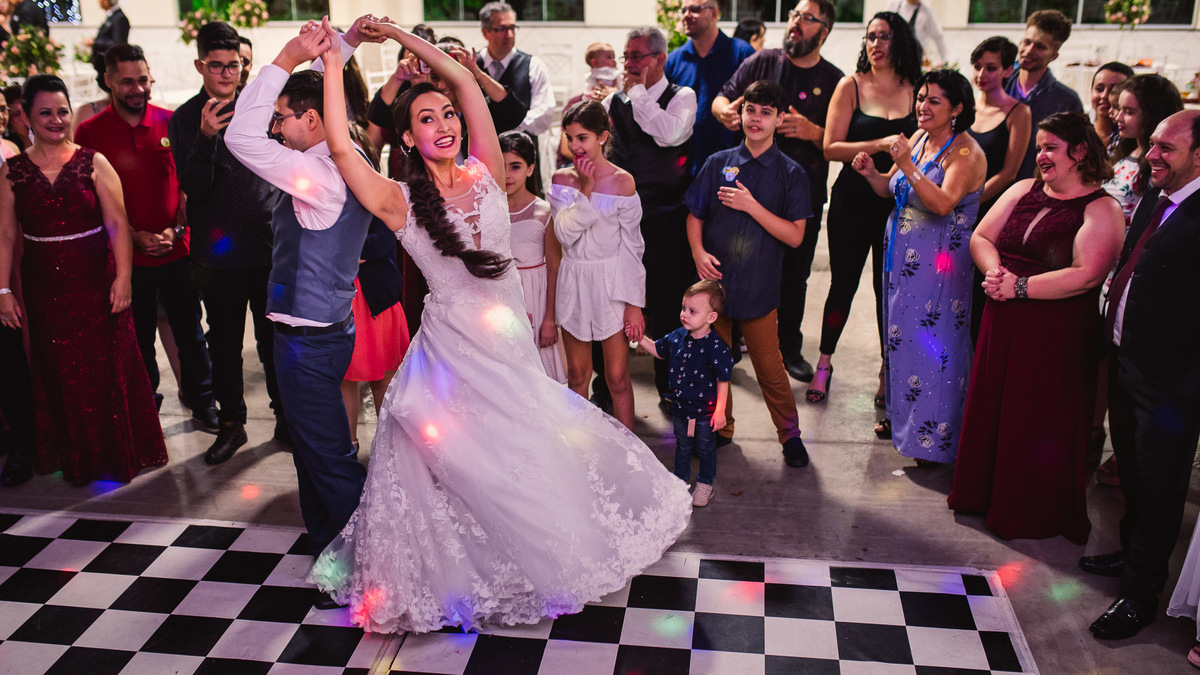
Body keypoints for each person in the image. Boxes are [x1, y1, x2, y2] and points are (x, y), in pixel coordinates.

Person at [308, 17, 691, 633]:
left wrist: (398, 35)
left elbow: (461, 77)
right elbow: (341, 146)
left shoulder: (487, 168)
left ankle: (530, 548)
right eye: (426, 118)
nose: (444, 124)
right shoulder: (398, 200)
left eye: (447, 115)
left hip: (507, 338)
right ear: (407, 137)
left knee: (523, 448)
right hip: (452, 352)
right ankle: (464, 570)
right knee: (456, 461)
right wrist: (333, 65)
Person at [224, 19, 384, 565]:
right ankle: (330, 551)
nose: (275, 127)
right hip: (323, 329)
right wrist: (343, 47)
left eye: (282, 118)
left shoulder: (319, 174)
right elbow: (321, 92)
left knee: (329, 459)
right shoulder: (346, 154)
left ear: (312, 120)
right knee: (316, 456)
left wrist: (288, 54)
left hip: (307, 339)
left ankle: (371, 561)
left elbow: (238, 136)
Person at [948, 112, 1121, 540]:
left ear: (1079, 152)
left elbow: (1086, 274)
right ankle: (982, 494)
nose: (1040, 156)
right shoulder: (1024, 189)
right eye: (1039, 147)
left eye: (1051, 148)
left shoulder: (1102, 209)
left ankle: (1027, 509)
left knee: (1034, 414)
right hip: (1003, 314)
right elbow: (981, 238)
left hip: (1053, 330)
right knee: (994, 404)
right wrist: (995, 276)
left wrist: (1019, 287)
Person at [0, 74, 167, 486]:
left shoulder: (93, 161)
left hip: (97, 279)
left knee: (108, 367)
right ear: (25, 117)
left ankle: (118, 455)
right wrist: (3, 290)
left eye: (61, 111)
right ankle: (77, 458)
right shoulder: (12, 171)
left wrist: (124, 278)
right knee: (60, 371)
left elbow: (117, 223)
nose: (56, 120)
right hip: (44, 286)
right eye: (45, 113)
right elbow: (5, 235)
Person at [1079, 110, 1200, 641]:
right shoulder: (1158, 192)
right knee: (1130, 471)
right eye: (1151, 145)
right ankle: (1130, 555)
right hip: (1128, 360)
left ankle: (1141, 594)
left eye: (1166, 149)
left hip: (1172, 380)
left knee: (1159, 485)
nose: (1151, 156)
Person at [75, 44, 218, 429]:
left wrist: (176, 228)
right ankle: (145, 410)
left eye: (143, 79)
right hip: (126, 260)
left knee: (191, 334)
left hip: (177, 250)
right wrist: (132, 235)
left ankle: (204, 402)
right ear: (107, 81)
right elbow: (90, 201)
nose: (137, 88)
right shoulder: (89, 133)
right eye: (127, 82)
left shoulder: (171, 122)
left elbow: (186, 183)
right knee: (137, 342)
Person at [851, 69, 986, 463]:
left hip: (940, 267)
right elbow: (891, 189)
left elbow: (942, 203)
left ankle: (936, 441)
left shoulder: (966, 152)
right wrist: (872, 174)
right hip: (903, 261)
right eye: (921, 97)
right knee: (902, 342)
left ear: (957, 108)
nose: (922, 107)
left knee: (935, 347)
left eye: (934, 101)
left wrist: (908, 164)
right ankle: (905, 424)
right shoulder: (921, 140)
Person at [169, 21, 287, 464]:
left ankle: (286, 421)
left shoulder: (261, 109)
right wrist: (205, 137)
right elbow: (194, 189)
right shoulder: (186, 119)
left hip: (268, 245)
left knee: (275, 338)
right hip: (218, 257)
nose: (225, 74)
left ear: (243, 63)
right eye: (215, 66)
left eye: (233, 65)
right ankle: (231, 425)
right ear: (200, 65)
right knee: (223, 345)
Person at [712, 0, 844, 384]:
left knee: (794, 274)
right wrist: (723, 110)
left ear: (824, 30)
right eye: (793, 15)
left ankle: (788, 348)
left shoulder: (836, 80)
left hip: (800, 194)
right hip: (747, 188)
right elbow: (726, 95)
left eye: (806, 18)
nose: (796, 23)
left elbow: (843, 140)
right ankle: (731, 345)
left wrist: (813, 132)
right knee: (737, 265)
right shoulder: (763, 60)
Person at [687, 79, 812, 468]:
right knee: (712, 363)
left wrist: (751, 205)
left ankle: (789, 435)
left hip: (759, 288)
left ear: (779, 119)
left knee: (769, 367)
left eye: (766, 112)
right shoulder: (716, 163)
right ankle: (720, 428)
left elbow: (794, 236)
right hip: (715, 286)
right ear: (739, 114)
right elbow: (695, 215)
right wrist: (698, 252)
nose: (756, 119)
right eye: (750, 110)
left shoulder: (792, 174)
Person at [808, 10, 919, 405]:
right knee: (843, 285)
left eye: (885, 36)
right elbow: (830, 147)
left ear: (900, 41)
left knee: (889, 291)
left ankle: (888, 371)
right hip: (852, 202)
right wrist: (878, 143)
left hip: (900, 205)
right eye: (870, 37)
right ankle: (824, 364)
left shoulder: (915, 87)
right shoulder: (850, 85)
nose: (876, 44)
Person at [600, 26, 696, 407]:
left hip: (666, 215)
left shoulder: (681, 96)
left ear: (660, 58)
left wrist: (638, 93)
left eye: (637, 56)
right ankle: (608, 381)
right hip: (621, 216)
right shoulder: (615, 101)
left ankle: (668, 384)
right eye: (627, 57)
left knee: (667, 299)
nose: (629, 64)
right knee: (614, 295)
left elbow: (669, 135)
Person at [550, 100, 645, 430]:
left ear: (603, 137)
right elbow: (564, 235)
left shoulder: (623, 183)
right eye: (570, 137)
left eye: (583, 137)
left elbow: (633, 248)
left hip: (611, 283)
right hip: (574, 279)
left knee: (617, 377)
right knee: (577, 375)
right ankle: (578, 451)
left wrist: (634, 305)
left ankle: (630, 453)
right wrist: (586, 191)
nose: (575, 146)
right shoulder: (562, 179)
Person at [640, 280, 734, 507]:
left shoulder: (716, 346)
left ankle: (705, 484)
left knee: (705, 448)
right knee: (682, 445)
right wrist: (639, 337)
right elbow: (659, 350)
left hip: (704, 413)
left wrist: (720, 412)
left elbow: (723, 380)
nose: (684, 314)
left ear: (711, 317)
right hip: (681, 408)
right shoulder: (677, 336)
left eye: (692, 311)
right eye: (684, 308)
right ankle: (679, 480)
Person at [967, 36, 1031, 342]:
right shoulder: (965, 109)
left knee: (980, 292)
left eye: (991, 68)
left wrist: (968, 201)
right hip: (952, 209)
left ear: (1008, 70)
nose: (982, 74)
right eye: (978, 67)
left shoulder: (1018, 112)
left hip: (988, 212)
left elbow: (1009, 172)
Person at [501, 129, 566, 382]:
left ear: (530, 169)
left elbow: (554, 266)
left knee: (537, 376)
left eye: (515, 166)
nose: (507, 174)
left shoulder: (545, 211)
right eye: (502, 165)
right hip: (501, 296)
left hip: (535, 297)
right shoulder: (488, 210)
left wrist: (550, 318)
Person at [342, 215, 410, 452]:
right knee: (343, 379)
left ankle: (388, 451)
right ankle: (349, 449)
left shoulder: (377, 195)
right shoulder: (326, 194)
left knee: (383, 380)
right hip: (339, 301)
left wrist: (338, 248)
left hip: (378, 301)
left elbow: (381, 242)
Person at [665, 0, 755, 175]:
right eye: (683, 10)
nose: (686, 15)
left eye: (695, 9)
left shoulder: (742, 54)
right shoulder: (674, 60)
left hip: (733, 166)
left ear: (714, 14)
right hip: (684, 168)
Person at [1006, 9, 1084, 180]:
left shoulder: (1066, 102)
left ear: (1054, 56)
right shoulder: (999, 85)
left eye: (1040, 46)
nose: (1029, 50)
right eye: (1026, 42)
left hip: (1037, 188)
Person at [475, 2, 555, 139]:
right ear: (485, 32)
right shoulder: (472, 65)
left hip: (522, 148)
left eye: (512, 28)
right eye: (502, 29)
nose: (510, 34)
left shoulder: (533, 65)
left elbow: (544, 113)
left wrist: (514, 124)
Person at [557, 42, 619, 168]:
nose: (614, 62)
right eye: (608, 58)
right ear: (594, 64)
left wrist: (617, 98)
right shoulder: (576, 105)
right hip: (577, 164)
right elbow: (566, 149)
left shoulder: (622, 106)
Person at [1090, 62, 1134, 152]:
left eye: (1113, 90)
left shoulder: (1134, 142)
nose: (1104, 96)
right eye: (1099, 89)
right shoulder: (1080, 135)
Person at [85, 0, 129, 73]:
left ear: (106, 1)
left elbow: (118, 44)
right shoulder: (112, 16)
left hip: (112, 64)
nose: (98, 2)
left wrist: (95, 43)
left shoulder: (119, 18)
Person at [4, 85, 28, 151]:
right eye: (17, 114)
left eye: (27, 110)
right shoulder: (9, 152)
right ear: (10, 127)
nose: (25, 117)